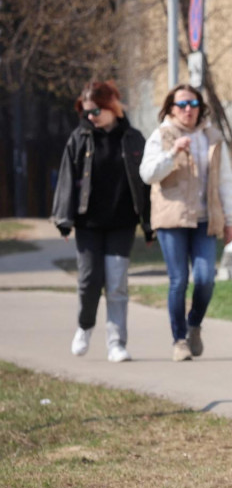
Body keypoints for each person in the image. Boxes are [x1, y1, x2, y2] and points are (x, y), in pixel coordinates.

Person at [52, 80, 152, 363]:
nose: (91, 118)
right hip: (88, 223)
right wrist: (64, 219)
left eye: (96, 112)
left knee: (117, 283)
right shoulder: (79, 138)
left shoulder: (133, 138)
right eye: (86, 113)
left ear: (112, 107)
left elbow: (145, 186)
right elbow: (67, 179)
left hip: (121, 223)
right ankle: (84, 326)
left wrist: (148, 224)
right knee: (89, 280)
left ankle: (116, 343)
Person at [141, 84, 232, 362]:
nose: (188, 110)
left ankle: (194, 323)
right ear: (171, 108)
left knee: (206, 278)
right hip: (172, 219)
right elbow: (147, 174)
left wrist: (229, 221)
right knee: (179, 280)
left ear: (200, 108)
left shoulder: (213, 137)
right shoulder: (161, 136)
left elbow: (225, 182)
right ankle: (179, 340)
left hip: (205, 219)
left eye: (193, 104)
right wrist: (172, 153)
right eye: (181, 105)